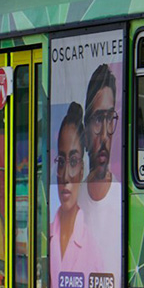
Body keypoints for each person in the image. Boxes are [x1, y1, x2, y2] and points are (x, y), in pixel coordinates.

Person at [50, 103, 94, 271]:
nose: (66, 175)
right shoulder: (44, 237)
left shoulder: (94, 251)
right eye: (61, 161)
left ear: (82, 170)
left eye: (74, 161)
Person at [83, 63, 118, 203]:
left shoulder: (120, 194)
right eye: (98, 119)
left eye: (109, 118)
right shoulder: (75, 199)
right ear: (86, 130)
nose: (104, 136)